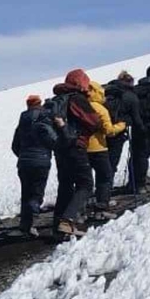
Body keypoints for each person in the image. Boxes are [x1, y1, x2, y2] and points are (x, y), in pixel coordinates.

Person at [50, 70, 98, 236]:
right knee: (85, 184)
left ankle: (57, 225)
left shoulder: (56, 100)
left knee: (65, 185)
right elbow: (93, 121)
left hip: (59, 148)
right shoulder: (77, 98)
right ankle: (67, 221)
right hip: (75, 145)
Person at [11, 95, 56, 236]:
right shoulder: (44, 119)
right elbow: (51, 140)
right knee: (37, 192)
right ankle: (32, 216)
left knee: (26, 192)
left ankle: (25, 225)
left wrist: (23, 155)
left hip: (24, 162)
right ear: (40, 104)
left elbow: (14, 145)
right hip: (41, 161)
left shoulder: (22, 122)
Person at [85, 77, 121, 216]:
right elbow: (109, 131)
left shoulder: (79, 106)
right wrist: (121, 125)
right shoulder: (101, 109)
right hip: (99, 147)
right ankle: (102, 205)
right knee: (104, 176)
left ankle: (84, 205)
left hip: (82, 148)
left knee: (86, 179)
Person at [104, 72, 141, 192]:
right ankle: (105, 192)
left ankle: (103, 189)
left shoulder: (105, 92)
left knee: (104, 161)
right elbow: (136, 118)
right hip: (118, 131)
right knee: (112, 161)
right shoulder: (130, 95)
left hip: (102, 131)